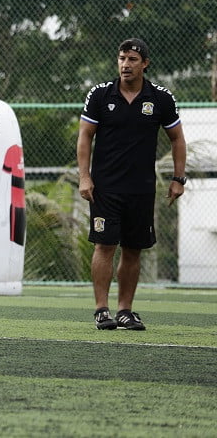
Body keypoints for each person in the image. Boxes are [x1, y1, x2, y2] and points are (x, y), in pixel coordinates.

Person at [77, 38, 186, 331]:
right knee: (105, 245)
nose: (126, 64)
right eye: (122, 58)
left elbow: (177, 139)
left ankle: (125, 311)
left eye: (132, 60)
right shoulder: (100, 95)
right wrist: (84, 176)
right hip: (105, 187)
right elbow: (85, 136)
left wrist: (178, 178)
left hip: (141, 188)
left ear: (145, 64)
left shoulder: (161, 98)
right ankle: (102, 310)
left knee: (133, 249)